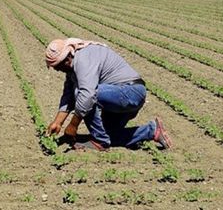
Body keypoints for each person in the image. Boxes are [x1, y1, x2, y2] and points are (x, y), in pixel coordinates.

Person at [44, 37, 172, 151]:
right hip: (120, 96)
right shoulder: (72, 66)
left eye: (57, 66)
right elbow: (68, 95)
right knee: (108, 135)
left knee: (84, 94)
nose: (56, 70)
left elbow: (88, 95)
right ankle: (152, 131)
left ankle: (99, 141)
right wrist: (58, 122)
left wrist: (73, 125)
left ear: (67, 59)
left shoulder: (83, 59)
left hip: (130, 92)